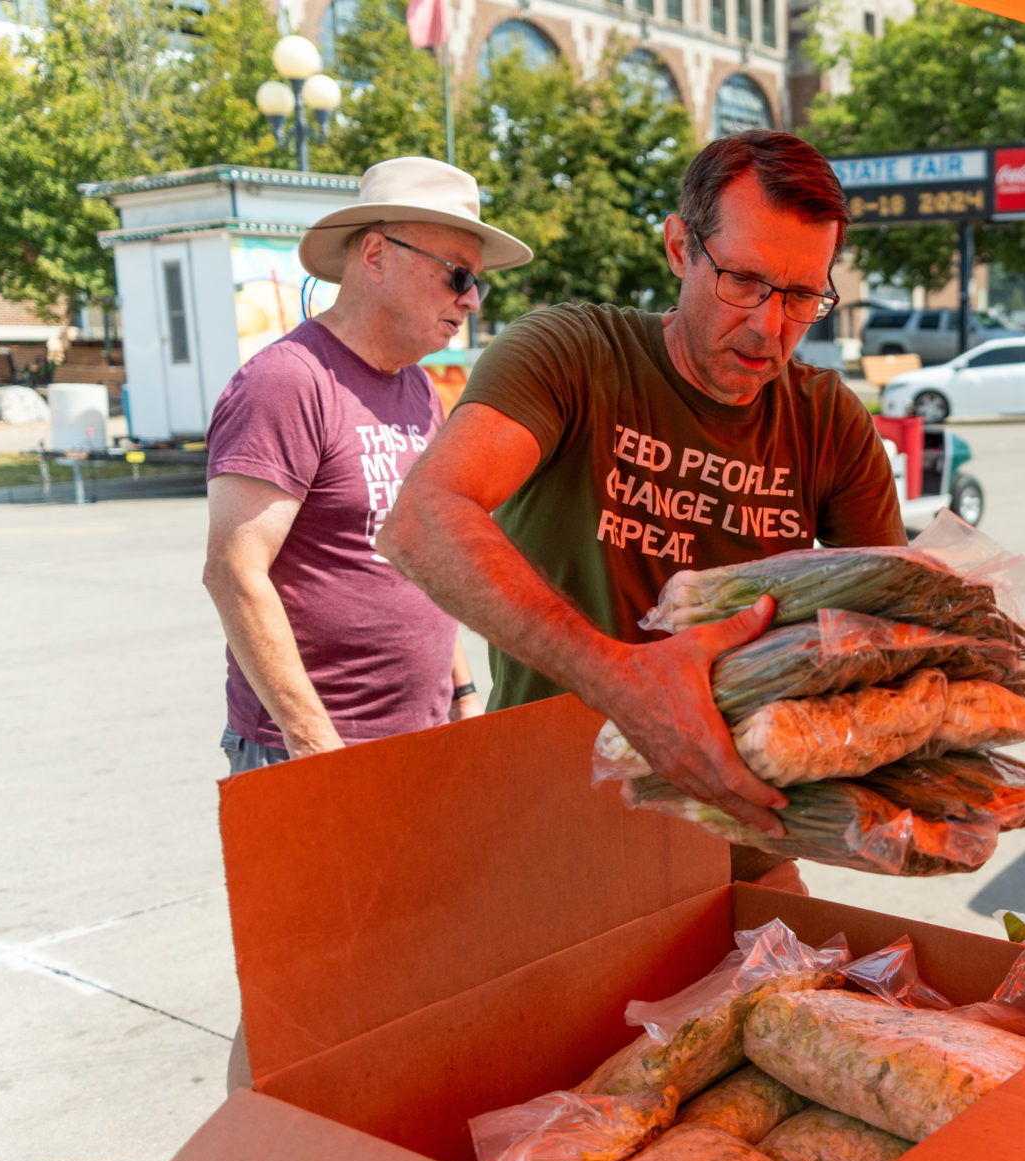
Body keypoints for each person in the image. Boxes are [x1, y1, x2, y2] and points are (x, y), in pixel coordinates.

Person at [379, 130, 902, 888]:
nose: (769, 326)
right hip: (551, 836)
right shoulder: (572, 355)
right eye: (745, 281)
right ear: (680, 247)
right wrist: (623, 682)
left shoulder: (829, 421)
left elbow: (886, 636)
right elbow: (423, 519)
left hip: (742, 849)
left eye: (799, 297)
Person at [203, 157, 532, 772]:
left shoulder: (418, 388)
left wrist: (462, 692)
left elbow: (424, 553)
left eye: (477, 283)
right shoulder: (288, 381)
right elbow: (233, 573)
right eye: (458, 275)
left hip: (422, 735)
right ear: (376, 255)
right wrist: (313, 744)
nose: (471, 300)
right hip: (310, 750)